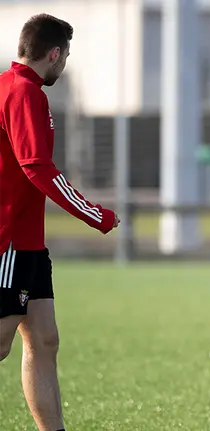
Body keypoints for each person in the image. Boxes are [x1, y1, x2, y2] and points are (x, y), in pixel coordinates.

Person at [0, 14, 119, 431]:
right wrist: (96, 214)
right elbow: (37, 168)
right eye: (65, 57)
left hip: (30, 244)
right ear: (54, 53)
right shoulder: (22, 91)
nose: (64, 66)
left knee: (45, 342)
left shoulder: (16, 87)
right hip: (9, 242)